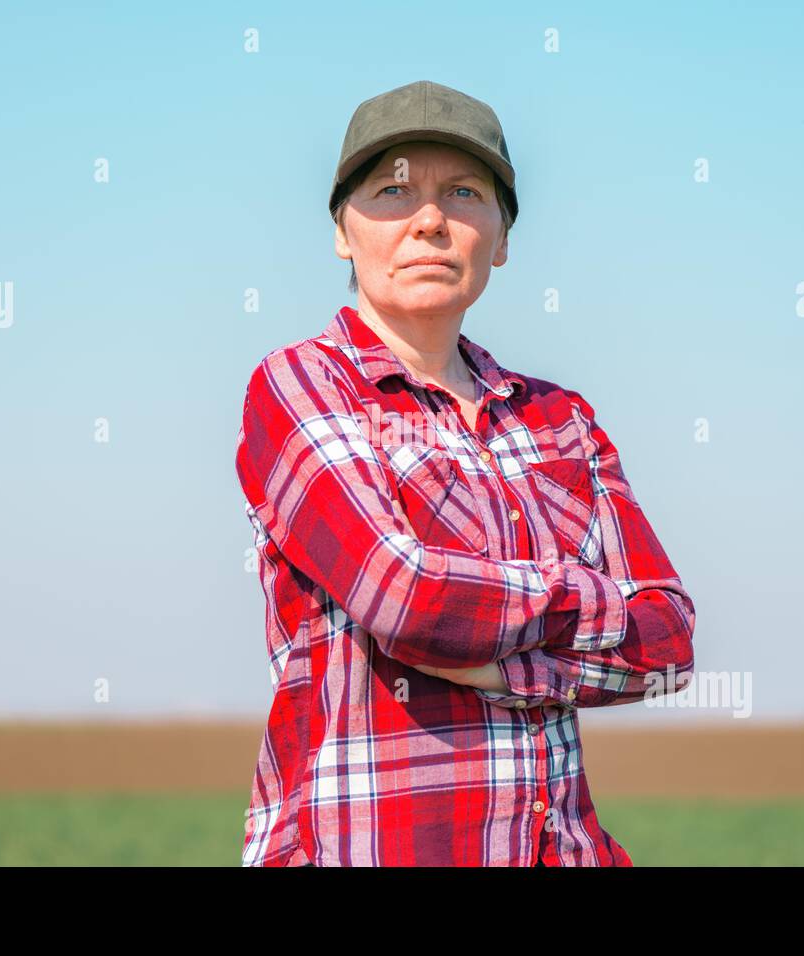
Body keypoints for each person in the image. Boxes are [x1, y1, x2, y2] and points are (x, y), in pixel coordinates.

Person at [234, 80, 696, 867]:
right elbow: (403, 595)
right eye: (392, 190)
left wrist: (496, 662)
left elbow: (670, 639)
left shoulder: (560, 419)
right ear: (342, 232)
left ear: (503, 237)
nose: (429, 221)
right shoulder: (298, 387)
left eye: (464, 192)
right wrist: (577, 607)